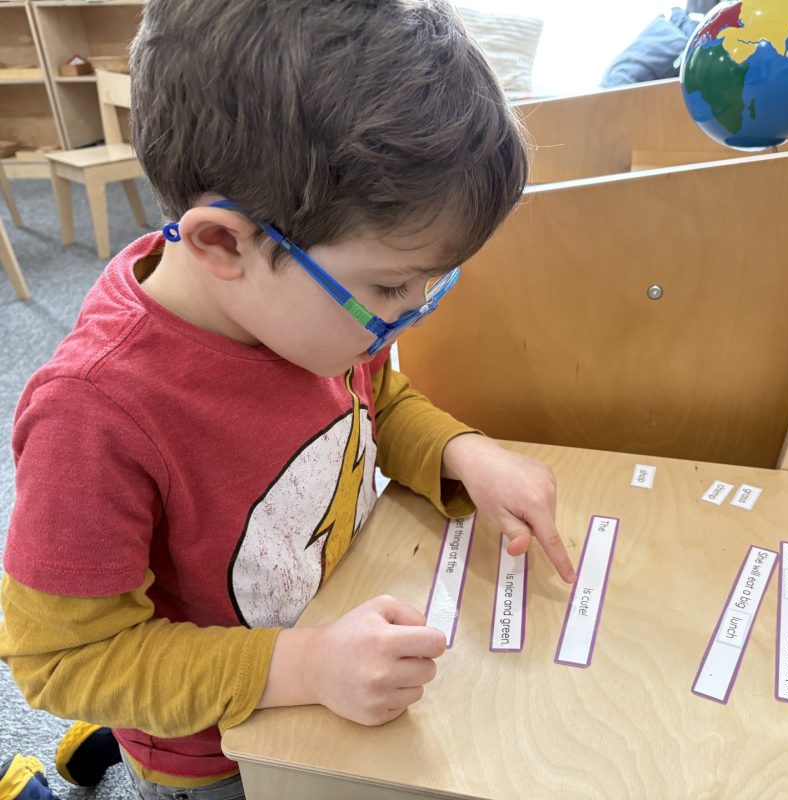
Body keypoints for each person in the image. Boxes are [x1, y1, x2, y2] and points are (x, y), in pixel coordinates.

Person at [0, 2, 576, 797]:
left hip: (330, 649)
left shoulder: (302, 317)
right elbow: (64, 658)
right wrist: (304, 666)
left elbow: (374, 401)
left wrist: (461, 452)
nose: (408, 312)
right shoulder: (92, 414)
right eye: (389, 287)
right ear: (220, 243)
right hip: (217, 756)